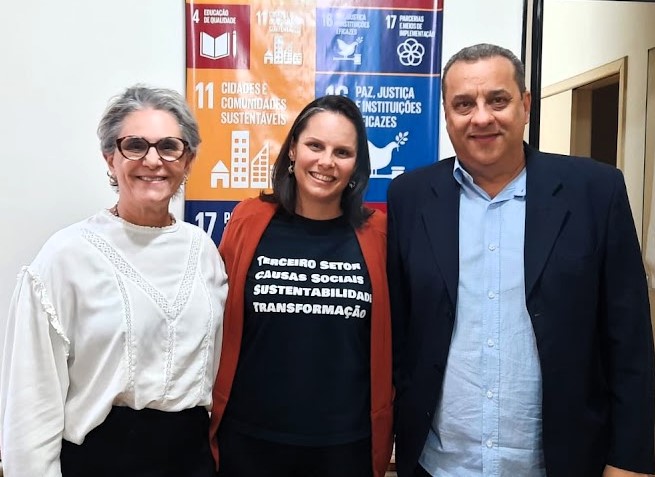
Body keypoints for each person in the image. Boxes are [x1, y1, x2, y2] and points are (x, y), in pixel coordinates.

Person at [387, 43, 655, 477]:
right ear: (446, 114)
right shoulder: (410, 197)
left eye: (498, 100)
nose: (481, 118)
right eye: (463, 104)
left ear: (525, 105)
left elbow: (630, 341)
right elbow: (400, 332)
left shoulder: (595, 191)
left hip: (559, 463)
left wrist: (630, 461)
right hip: (440, 464)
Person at [0, 85, 228, 477]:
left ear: (187, 159)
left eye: (169, 147)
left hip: (190, 459)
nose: (153, 160)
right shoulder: (67, 256)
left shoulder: (203, 250)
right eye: (135, 145)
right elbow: (31, 403)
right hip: (101, 460)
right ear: (110, 158)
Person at [209, 94, 393, 477]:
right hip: (249, 442)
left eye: (342, 152)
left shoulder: (378, 233)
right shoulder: (248, 219)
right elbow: (215, 320)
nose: (326, 161)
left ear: (357, 165)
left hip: (345, 448)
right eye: (315, 146)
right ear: (293, 150)